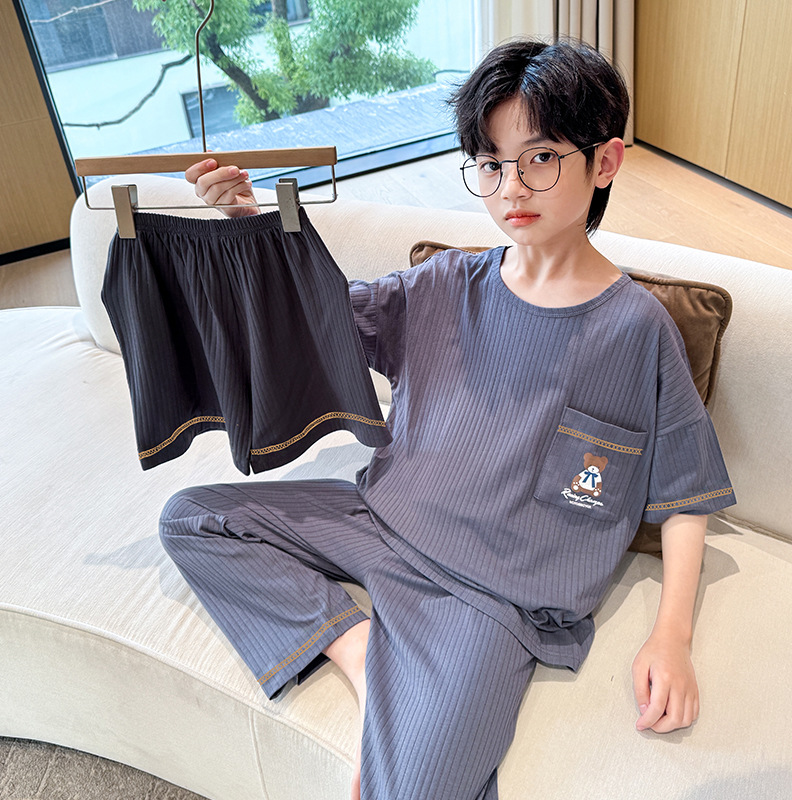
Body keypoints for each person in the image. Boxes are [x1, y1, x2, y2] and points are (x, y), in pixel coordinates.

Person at [159, 38, 736, 800]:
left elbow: (685, 493)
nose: (510, 187)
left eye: (539, 158)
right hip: (376, 521)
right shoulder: (443, 282)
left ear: (605, 163)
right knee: (191, 517)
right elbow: (320, 321)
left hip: (492, 600)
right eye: (490, 164)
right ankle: (363, 652)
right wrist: (251, 221)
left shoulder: (638, 329)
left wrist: (672, 636)